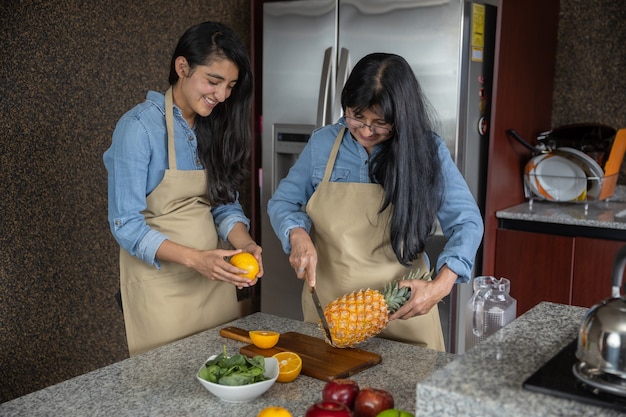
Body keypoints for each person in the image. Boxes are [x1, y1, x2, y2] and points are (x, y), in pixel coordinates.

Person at [267, 53, 483, 351]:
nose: (366, 131)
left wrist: (440, 285)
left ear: (401, 117)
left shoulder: (427, 150)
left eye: (380, 123)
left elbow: (466, 222)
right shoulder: (323, 144)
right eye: (356, 116)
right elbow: (283, 202)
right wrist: (297, 233)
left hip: (406, 314)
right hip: (333, 318)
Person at [104, 22, 262, 356]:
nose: (222, 96)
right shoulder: (137, 129)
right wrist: (196, 259)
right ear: (182, 67)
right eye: (214, 81)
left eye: (230, 86)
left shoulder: (215, 125)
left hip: (213, 284)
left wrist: (244, 242)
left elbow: (222, 204)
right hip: (161, 291)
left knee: (224, 375)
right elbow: (126, 224)